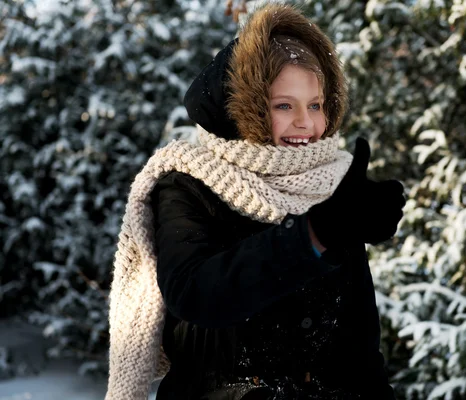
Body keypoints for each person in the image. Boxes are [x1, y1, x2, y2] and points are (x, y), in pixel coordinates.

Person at [105, 4, 406, 400]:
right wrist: (313, 236)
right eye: (284, 105)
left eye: (315, 104)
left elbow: (360, 350)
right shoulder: (189, 184)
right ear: (244, 109)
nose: (306, 122)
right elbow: (196, 293)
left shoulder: (331, 190)